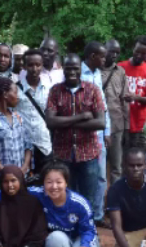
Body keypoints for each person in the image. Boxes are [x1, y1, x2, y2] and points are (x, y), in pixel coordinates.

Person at [45, 53, 106, 202]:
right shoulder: (55, 91)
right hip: (62, 153)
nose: (72, 72)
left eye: (75, 68)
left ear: (80, 69)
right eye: (68, 68)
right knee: (64, 196)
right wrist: (82, 117)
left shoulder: (93, 90)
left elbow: (101, 123)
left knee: (87, 198)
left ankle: (87, 224)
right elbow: (50, 122)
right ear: (63, 69)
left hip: (88, 153)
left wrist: (64, 122)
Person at [81, 41, 112, 226]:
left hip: (99, 134)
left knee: (101, 175)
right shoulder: (76, 72)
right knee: (84, 176)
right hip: (83, 134)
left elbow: (103, 105)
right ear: (93, 56)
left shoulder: (97, 74)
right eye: (102, 56)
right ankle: (84, 215)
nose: (105, 59)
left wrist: (107, 130)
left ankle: (98, 215)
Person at [15, 49, 53, 174]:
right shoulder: (14, 89)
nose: (34, 68)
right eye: (30, 65)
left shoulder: (49, 89)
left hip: (44, 145)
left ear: (42, 66)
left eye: (38, 65)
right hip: (22, 146)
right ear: (24, 66)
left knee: (44, 183)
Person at [119, 36, 146, 151]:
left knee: (142, 157)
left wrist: (135, 97)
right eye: (137, 52)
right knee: (123, 160)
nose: (139, 55)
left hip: (144, 124)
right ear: (133, 48)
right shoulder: (121, 67)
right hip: (123, 122)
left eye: (144, 53)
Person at [102, 39, 128, 185]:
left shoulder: (120, 72)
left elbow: (125, 100)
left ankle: (115, 200)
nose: (114, 55)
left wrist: (127, 126)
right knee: (99, 168)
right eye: (112, 51)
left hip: (116, 124)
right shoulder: (93, 71)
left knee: (116, 166)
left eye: (117, 53)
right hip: (97, 126)